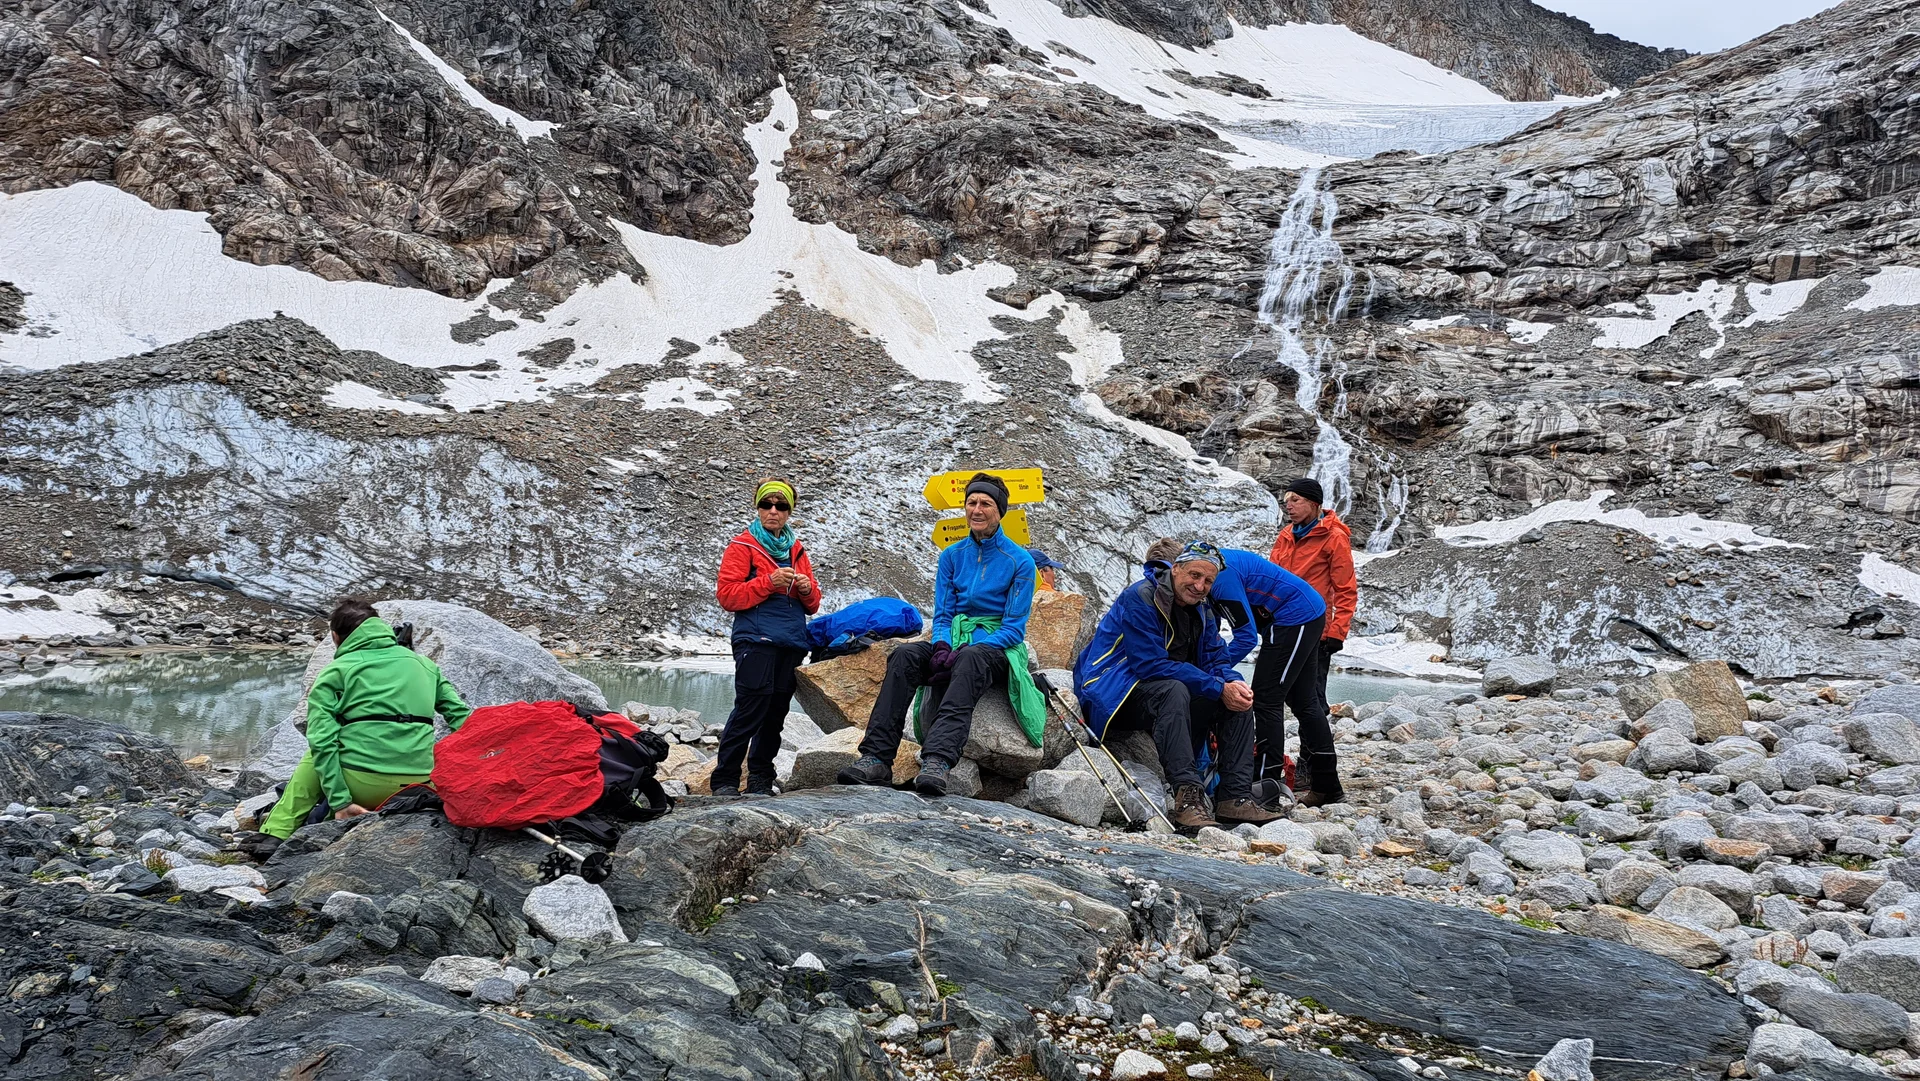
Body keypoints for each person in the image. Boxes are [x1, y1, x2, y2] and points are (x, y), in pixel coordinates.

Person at [838, 472, 1039, 796]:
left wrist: (966, 649)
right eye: (971, 502)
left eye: (985, 503)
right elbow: (943, 615)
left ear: (1000, 511)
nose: (976, 510)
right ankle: (876, 757)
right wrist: (943, 645)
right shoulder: (951, 556)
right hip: (954, 639)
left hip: (995, 647)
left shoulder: (1020, 561)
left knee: (970, 659)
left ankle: (937, 761)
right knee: (904, 655)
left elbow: (1013, 628)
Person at [1072, 542, 1280, 830]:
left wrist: (1232, 683)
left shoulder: (1202, 608)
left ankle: (1235, 797)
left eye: (1208, 581)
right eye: (1194, 575)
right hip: (1114, 690)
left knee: (1237, 701)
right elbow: (1149, 665)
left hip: (1161, 693)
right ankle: (1187, 796)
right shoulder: (1141, 597)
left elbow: (1215, 658)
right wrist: (1217, 687)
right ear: (1176, 568)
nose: (1200, 586)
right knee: (1176, 689)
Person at [249, 598, 471, 855]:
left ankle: (276, 833)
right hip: (420, 786)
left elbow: (322, 740)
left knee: (316, 753)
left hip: (360, 788)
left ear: (335, 637)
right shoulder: (426, 666)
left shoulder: (337, 671)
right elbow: (463, 720)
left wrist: (340, 802)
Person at [1157, 539, 1331, 808]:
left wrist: (1214, 673)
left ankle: (1265, 782)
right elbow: (1212, 630)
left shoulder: (1219, 580)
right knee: (1304, 702)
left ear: (1179, 567)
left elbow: (1246, 637)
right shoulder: (1208, 577)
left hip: (1295, 614)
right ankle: (1328, 786)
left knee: (1266, 699)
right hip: (1294, 613)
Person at [711, 479, 821, 796]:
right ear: (758, 508)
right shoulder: (742, 546)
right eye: (767, 504)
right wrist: (768, 582)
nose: (773, 511)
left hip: (791, 642)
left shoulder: (796, 549)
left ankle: (760, 779)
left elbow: (813, 604)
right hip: (755, 640)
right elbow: (728, 596)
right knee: (750, 709)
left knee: (775, 716)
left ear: (789, 511)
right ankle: (725, 780)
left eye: (781, 505)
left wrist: (806, 589)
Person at [1267, 477, 1356, 805]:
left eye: (1295, 500)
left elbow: (1345, 588)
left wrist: (1336, 632)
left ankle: (1312, 770)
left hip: (1316, 631)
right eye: (1286, 500)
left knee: (1311, 699)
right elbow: (1272, 578)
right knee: (1282, 695)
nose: (1288, 506)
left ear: (1314, 503)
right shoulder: (1286, 536)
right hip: (1282, 627)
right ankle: (1279, 766)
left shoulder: (1333, 537)